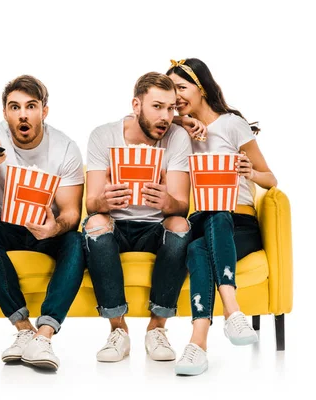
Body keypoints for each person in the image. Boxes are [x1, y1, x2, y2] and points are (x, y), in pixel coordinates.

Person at [166, 58, 278, 376]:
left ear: (201, 88)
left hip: (239, 221)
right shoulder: (177, 130)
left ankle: (197, 343)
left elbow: (272, 179)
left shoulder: (232, 124)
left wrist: (251, 172)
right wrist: (181, 123)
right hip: (202, 217)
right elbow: (146, 116)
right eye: (171, 90)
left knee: (196, 249)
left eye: (181, 88)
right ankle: (233, 312)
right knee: (210, 219)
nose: (175, 96)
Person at [0, 75, 85, 371]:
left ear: (44, 111)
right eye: (15, 107)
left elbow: (72, 213)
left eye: (31, 106)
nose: (22, 114)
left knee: (76, 240)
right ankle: (23, 329)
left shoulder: (65, 147)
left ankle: (44, 335)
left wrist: (54, 227)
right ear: (6, 113)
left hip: (49, 230)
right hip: (5, 228)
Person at [83, 72, 192, 363]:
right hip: (115, 225)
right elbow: (90, 204)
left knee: (181, 226)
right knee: (94, 224)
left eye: (171, 108)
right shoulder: (102, 136)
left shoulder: (177, 137)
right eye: (157, 106)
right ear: (136, 104)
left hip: (155, 227)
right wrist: (102, 201)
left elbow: (182, 207)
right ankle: (118, 330)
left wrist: (168, 201)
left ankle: (157, 328)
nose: (166, 116)